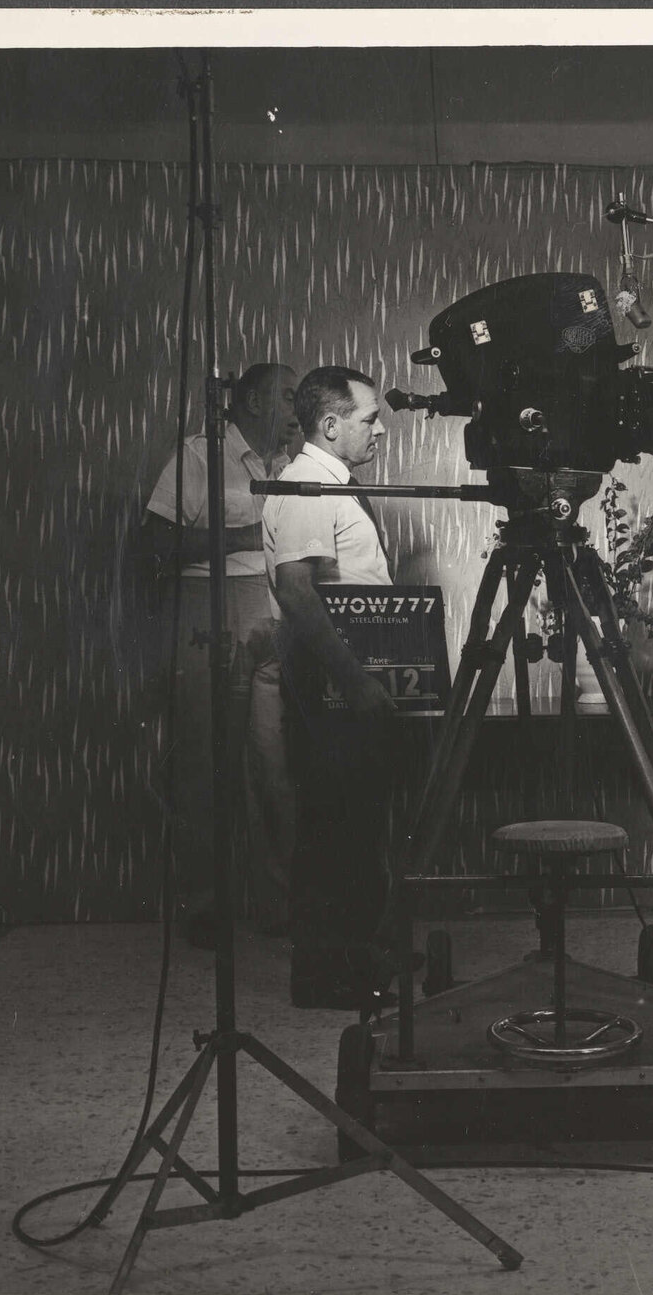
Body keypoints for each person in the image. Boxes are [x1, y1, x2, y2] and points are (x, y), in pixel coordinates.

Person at [143, 362, 301, 940]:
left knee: (273, 763)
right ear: (254, 403)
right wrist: (246, 537)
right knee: (205, 760)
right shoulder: (199, 457)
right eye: (287, 396)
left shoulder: (288, 463)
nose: (296, 405)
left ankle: (278, 906)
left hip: (275, 607)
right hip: (210, 607)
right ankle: (204, 907)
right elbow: (155, 546)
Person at [263, 365, 399, 1008]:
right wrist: (357, 682)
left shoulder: (330, 486)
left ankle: (358, 952)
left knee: (356, 820)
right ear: (330, 424)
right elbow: (299, 592)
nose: (378, 431)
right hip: (332, 681)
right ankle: (328, 972)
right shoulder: (304, 487)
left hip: (350, 677)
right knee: (333, 824)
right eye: (369, 419)